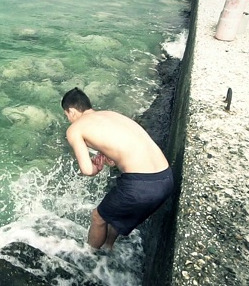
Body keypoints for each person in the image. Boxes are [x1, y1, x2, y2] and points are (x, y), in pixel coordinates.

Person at [61, 87, 173, 250]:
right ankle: (108, 247)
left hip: (141, 185)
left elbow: (87, 170)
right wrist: (108, 159)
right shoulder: (112, 116)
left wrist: (95, 168)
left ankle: (89, 260)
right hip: (166, 179)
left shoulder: (75, 128)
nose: (69, 120)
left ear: (71, 111)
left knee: (98, 217)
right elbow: (121, 154)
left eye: (67, 116)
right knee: (113, 215)